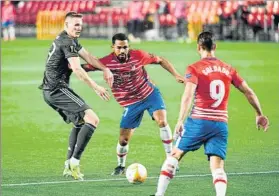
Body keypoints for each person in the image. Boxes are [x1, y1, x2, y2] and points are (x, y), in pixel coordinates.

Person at [152, 31, 269, 196]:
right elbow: (248, 92)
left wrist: (180, 120)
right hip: (220, 124)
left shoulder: (194, 68)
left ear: (198, 47)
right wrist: (259, 113)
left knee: (174, 154)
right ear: (215, 46)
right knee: (217, 167)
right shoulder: (229, 69)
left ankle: (159, 194)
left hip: (198, 121)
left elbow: (188, 95)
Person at [82, 33, 185, 175]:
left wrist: (176, 74)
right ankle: (120, 166)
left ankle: (171, 160)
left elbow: (160, 60)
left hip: (149, 94)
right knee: (123, 140)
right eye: (119, 48)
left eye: (125, 47)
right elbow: (84, 67)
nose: (123, 50)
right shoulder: (105, 62)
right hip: (130, 103)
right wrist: (67, 64)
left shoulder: (138, 55)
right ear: (113, 47)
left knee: (162, 121)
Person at [39, 11, 114, 180]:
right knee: (92, 119)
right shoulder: (67, 42)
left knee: (81, 122)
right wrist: (95, 87)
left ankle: (68, 166)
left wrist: (105, 68)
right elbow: (78, 69)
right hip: (56, 89)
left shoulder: (68, 39)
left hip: (51, 90)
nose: (79, 28)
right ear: (66, 25)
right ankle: (74, 162)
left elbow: (88, 57)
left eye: (80, 24)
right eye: (75, 25)